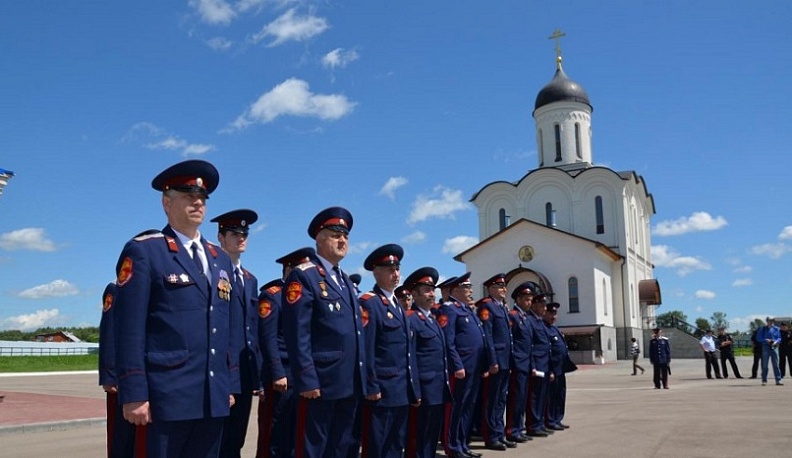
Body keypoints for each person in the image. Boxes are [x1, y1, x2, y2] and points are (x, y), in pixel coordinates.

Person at [112, 159, 239, 457]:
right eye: (188, 196)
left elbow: (227, 326)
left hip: (212, 397)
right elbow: (128, 328)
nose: (198, 203)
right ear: (166, 203)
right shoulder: (146, 250)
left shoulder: (220, 258)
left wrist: (230, 383)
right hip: (165, 396)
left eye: (202, 198)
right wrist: (134, 392)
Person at [281, 206, 367, 457]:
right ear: (319, 239)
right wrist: (306, 377)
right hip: (320, 381)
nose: (342, 240)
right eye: (335, 235)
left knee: (340, 447)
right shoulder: (304, 276)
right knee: (313, 448)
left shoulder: (346, 281)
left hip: (348, 381)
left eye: (346, 236)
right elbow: (298, 333)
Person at [358, 244, 420, 457]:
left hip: (401, 389)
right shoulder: (370, 303)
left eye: (397, 269)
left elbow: (408, 353)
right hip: (382, 390)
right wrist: (371, 384)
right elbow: (366, 349)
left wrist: (413, 389)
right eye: (390, 270)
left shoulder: (398, 306)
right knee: (377, 445)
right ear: (376, 273)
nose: (396, 274)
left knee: (395, 444)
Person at [210, 209, 262, 458]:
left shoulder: (250, 279)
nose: (241, 238)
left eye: (244, 233)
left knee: (236, 440)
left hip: (244, 374)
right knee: (216, 441)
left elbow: (252, 329)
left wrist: (257, 375)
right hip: (221, 372)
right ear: (221, 237)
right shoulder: (212, 271)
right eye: (234, 233)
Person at [256, 247, 315, 458]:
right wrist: (277, 372)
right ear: (289, 269)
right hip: (281, 376)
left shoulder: (306, 297)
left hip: (301, 375)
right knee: (275, 434)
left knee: (295, 434)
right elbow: (268, 338)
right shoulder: (273, 296)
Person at [436, 272, 493, 458]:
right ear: (455, 290)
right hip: (462, 369)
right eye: (466, 287)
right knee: (456, 409)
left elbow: (481, 339)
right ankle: (452, 447)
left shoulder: (467, 310)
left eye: (470, 287)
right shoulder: (449, 309)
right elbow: (448, 341)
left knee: (468, 407)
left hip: (474, 368)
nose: (470, 290)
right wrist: (457, 365)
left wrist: (483, 365)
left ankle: (462, 443)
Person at [403, 267, 451, 458]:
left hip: (437, 387)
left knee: (431, 434)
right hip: (423, 389)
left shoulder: (432, 319)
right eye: (427, 290)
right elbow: (410, 358)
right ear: (414, 294)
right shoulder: (411, 319)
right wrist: (414, 390)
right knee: (418, 435)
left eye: (433, 290)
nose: (432, 294)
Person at [99, 281, 144, 458]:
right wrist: (109, 375)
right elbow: (108, 330)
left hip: (144, 374)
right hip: (121, 378)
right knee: (121, 436)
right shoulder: (116, 288)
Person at [475, 273, 515, 451]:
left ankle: (499, 433)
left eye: (504, 286)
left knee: (501, 399)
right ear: (491, 288)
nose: (504, 289)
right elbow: (488, 336)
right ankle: (491, 437)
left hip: (505, 360)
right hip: (496, 361)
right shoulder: (487, 306)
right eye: (500, 286)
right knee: (492, 400)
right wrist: (492, 361)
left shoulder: (502, 307)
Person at [504, 282, 534, 444]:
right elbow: (511, 342)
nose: (529, 303)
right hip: (517, 364)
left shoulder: (526, 318)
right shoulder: (513, 316)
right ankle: (511, 430)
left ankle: (519, 428)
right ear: (518, 299)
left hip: (526, 364)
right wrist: (512, 362)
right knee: (515, 399)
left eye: (530, 300)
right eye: (526, 299)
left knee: (522, 399)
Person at [524, 282, 553, 437]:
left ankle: (539, 423)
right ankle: (533, 425)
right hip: (537, 365)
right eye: (541, 304)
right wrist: (533, 366)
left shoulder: (540, 321)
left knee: (542, 396)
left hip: (545, 364)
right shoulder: (530, 320)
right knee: (534, 397)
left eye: (545, 305)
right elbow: (531, 345)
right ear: (534, 305)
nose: (544, 308)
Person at [544, 302, 570, 431]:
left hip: (560, 368)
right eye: (550, 313)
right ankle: (550, 420)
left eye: (555, 313)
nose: (553, 316)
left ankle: (557, 418)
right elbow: (546, 351)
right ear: (545, 313)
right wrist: (549, 370)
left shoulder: (554, 328)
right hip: (552, 369)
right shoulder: (544, 329)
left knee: (560, 395)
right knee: (551, 396)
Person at [756, 316, 783, 386]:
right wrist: (766, 340)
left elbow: (779, 338)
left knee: (776, 364)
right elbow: (758, 338)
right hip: (765, 347)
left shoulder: (776, 329)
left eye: (772, 321)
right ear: (767, 321)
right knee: (765, 364)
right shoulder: (762, 329)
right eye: (770, 321)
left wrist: (775, 341)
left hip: (774, 347)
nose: (771, 322)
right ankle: (764, 380)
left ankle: (778, 380)